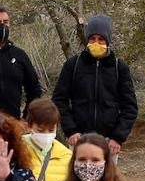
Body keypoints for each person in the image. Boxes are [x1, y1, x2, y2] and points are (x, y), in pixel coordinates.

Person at [51, 14, 139, 156]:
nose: (96, 43)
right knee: (77, 178)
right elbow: (59, 100)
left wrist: (117, 137)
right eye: (92, 38)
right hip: (79, 139)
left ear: (108, 41)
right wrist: (71, 130)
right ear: (87, 40)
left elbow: (130, 107)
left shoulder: (119, 67)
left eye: (101, 39)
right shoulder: (73, 65)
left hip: (109, 142)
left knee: (107, 179)